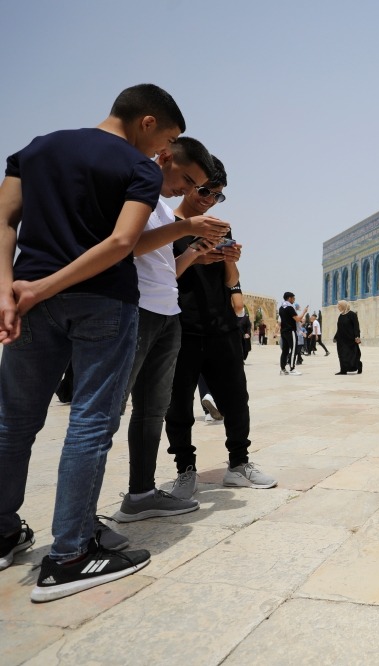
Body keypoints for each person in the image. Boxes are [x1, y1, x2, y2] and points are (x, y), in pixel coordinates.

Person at [0, 83, 186, 602]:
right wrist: (45, 286)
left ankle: (2, 531)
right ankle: (70, 555)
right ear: (146, 121)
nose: (162, 153)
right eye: (164, 139)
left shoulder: (36, 149)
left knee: (13, 420)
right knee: (90, 423)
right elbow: (123, 242)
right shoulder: (138, 167)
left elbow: (3, 219)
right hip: (102, 302)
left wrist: (12, 292)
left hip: (31, 300)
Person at [112, 136, 229, 525]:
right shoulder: (137, 192)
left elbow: (166, 269)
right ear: (166, 157)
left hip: (166, 314)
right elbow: (127, 246)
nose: (190, 191)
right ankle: (75, 522)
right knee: (105, 414)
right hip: (139, 312)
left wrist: (195, 251)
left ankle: (141, 493)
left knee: (151, 411)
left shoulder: (160, 207)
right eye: (190, 182)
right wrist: (187, 229)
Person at [164, 157, 276, 498]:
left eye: (218, 195)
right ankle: (185, 471)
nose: (210, 200)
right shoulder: (169, 225)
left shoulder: (219, 227)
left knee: (236, 398)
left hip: (221, 326)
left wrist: (230, 261)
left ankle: (239, 465)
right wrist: (194, 254)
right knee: (179, 403)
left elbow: (232, 283)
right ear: (188, 183)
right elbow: (162, 276)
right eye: (205, 191)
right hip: (182, 326)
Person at [278, 292, 308, 375]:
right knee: (294, 349)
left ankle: (283, 369)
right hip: (290, 331)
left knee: (285, 351)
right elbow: (298, 319)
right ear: (289, 298)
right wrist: (304, 312)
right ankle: (292, 368)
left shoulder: (281, 307)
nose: (294, 300)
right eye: (293, 298)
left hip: (283, 331)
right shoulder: (290, 308)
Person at [334, 299, 362, 375]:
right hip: (341, 339)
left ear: (343, 306)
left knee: (353, 354)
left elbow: (356, 326)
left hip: (350, 339)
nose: (338, 307)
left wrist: (357, 336)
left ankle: (358, 366)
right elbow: (339, 328)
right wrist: (336, 336)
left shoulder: (352, 314)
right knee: (341, 354)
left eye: (339, 306)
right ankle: (343, 370)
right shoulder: (340, 316)